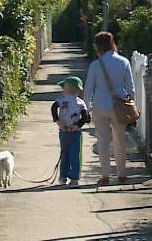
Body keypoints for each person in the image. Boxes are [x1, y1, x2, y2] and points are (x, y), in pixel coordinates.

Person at [83, 31, 136, 186]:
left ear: (98, 46)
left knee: (103, 142)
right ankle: (121, 174)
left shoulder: (95, 65)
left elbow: (88, 89)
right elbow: (131, 88)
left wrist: (87, 108)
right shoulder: (124, 62)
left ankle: (105, 176)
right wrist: (130, 101)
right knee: (120, 140)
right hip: (119, 107)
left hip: (100, 106)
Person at [50, 76, 90, 187]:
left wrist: (59, 122)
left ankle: (65, 177)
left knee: (66, 154)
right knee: (73, 155)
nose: (62, 89)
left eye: (64, 87)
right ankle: (72, 178)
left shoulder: (64, 100)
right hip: (72, 131)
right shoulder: (78, 102)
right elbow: (86, 117)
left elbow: (53, 108)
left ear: (68, 88)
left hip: (67, 131)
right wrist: (77, 125)